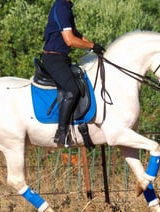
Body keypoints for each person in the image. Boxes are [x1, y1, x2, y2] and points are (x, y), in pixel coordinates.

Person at [42, 0, 105, 147]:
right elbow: (69, 40)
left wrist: (94, 48)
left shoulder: (66, 7)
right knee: (72, 89)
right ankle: (61, 133)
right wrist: (92, 45)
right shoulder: (61, 7)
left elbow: (76, 34)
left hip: (62, 58)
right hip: (54, 59)